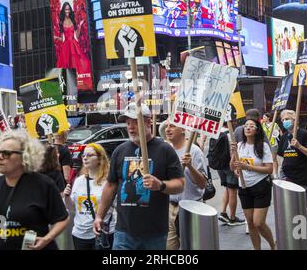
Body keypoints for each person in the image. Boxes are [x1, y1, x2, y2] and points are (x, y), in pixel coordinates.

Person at [93, 103, 184, 250]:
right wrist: (99, 216)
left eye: (135, 122)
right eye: (128, 123)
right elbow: (110, 186)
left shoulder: (165, 150)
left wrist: (160, 185)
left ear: (148, 122)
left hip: (155, 234)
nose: (130, 126)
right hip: (124, 232)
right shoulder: (119, 151)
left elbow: (180, 184)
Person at [231, 119, 276, 250]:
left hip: (261, 186)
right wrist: (236, 167)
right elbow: (232, 167)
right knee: (250, 223)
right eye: (246, 126)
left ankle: (273, 245)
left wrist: (247, 167)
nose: (248, 128)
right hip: (244, 187)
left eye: (251, 126)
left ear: (257, 130)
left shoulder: (263, 146)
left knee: (258, 223)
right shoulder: (239, 145)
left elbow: (269, 169)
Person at [278, 110, 307, 241]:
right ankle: (297, 231)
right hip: (288, 176)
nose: (285, 121)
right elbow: (282, 155)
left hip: (304, 175)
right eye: (283, 119)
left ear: (294, 119)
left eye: (288, 118)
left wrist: (299, 146)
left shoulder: (304, 134)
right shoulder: (285, 136)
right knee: (291, 205)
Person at [64, 143, 116, 250]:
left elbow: (117, 207)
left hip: (102, 233)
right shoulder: (79, 181)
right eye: (83, 156)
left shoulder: (108, 182)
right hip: (80, 234)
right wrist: (67, 197)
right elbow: (72, 209)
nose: (85, 158)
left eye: (90, 155)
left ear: (100, 159)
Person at [164, 121, 207, 250]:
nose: (168, 129)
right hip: (170, 208)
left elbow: (202, 184)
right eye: (166, 126)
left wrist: (190, 166)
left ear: (183, 130)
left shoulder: (194, 151)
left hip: (190, 208)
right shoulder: (166, 150)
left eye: (172, 126)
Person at [211, 123, 246, 227]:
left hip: (219, 166)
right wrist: (234, 166)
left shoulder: (215, 131)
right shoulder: (230, 133)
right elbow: (233, 151)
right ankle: (232, 217)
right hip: (229, 166)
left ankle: (223, 212)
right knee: (233, 192)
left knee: (227, 188)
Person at [54, 2, 90, 72]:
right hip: (66, 46)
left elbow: (77, 36)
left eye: (68, 9)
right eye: (66, 9)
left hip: (74, 45)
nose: (67, 11)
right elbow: (62, 39)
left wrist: (80, 26)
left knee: (78, 63)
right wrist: (56, 38)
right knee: (66, 65)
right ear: (63, 10)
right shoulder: (61, 23)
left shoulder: (73, 21)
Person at [261, 112, 281, 177]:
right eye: (263, 117)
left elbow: (280, 131)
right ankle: (267, 173)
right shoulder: (262, 125)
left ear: (268, 118)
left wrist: (283, 139)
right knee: (265, 158)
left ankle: (275, 173)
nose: (263, 118)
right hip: (265, 145)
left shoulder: (274, 124)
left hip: (273, 144)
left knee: (274, 159)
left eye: (264, 117)